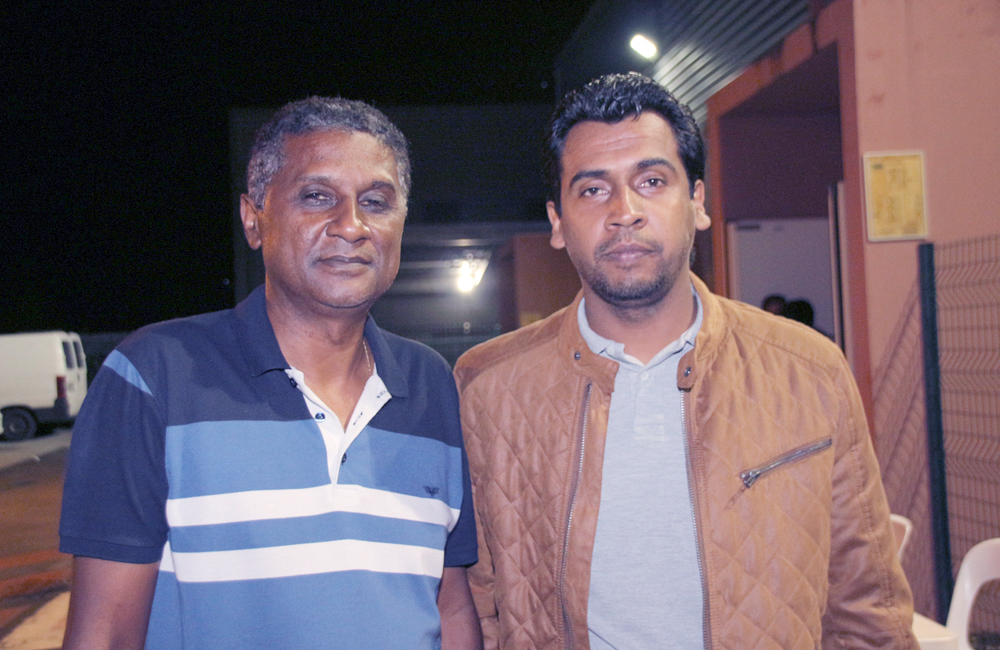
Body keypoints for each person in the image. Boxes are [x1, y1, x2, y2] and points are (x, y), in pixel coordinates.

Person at [454, 73, 916, 649]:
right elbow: (476, 606)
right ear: (557, 221)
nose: (624, 211)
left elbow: (867, 612)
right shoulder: (488, 388)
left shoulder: (808, 372)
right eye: (593, 190)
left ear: (697, 201)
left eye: (651, 181)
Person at [59, 96, 482, 650]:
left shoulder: (430, 384)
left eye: (376, 202)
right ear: (253, 219)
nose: (351, 225)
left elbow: (450, 604)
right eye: (317, 197)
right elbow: (106, 632)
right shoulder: (153, 376)